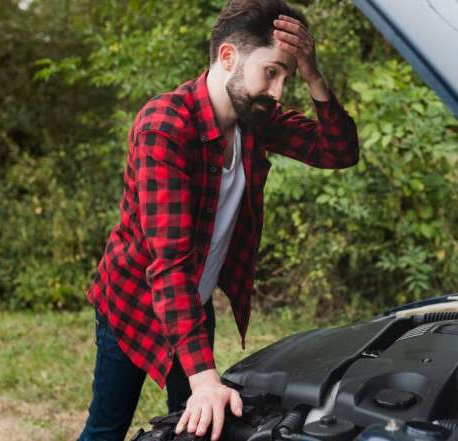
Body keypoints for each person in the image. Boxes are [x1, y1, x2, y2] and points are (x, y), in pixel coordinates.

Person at [78, 0, 359, 439]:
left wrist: (314, 75)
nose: (279, 90)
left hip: (193, 303)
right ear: (228, 57)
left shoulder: (256, 118)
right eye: (272, 72)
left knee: (194, 430)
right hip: (133, 303)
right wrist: (205, 377)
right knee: (106, 429)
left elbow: (337, 151)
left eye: (287, 76)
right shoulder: (164, 126)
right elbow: (168, 262)